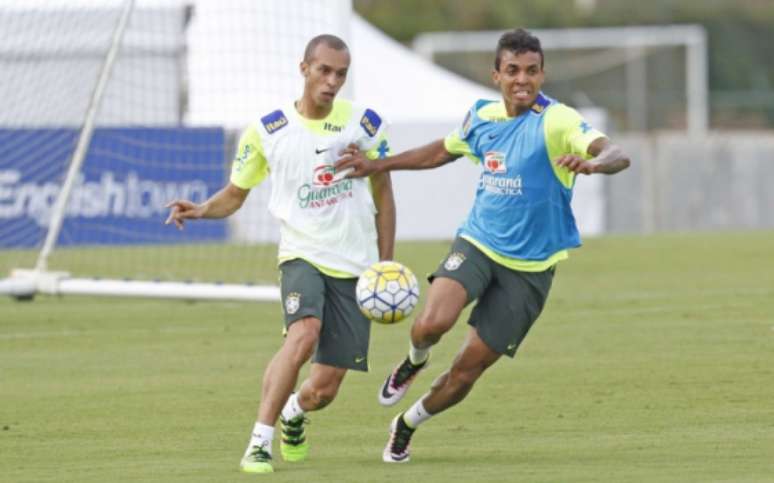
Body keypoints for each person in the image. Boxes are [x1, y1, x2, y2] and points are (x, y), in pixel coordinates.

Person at [334, 28, 630, 463]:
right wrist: (378, 164)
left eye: (531, 71)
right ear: (496, 75)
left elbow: (616, 152)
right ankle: (414, 360)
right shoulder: (482, 116)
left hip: (530, 268)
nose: (522, 80)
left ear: (543, 74)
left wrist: (593, 163)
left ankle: (407, 424)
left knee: (467, 369)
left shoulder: (558, 121)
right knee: (431, 324)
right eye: (512, 71)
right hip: (478, 242)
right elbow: (443, 150)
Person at [165, 34, 395, 474]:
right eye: (324, 70)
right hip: (300, 255)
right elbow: (236, 194)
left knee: (323, 391)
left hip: (354, 264)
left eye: (340, 74)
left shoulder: (364, 125)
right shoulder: (269, 130)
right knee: (303, 334)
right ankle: (258, 443)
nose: (331, 81)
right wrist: (200, 211)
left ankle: (294, 413)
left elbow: (385, 194)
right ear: (304, 68)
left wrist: (383, 265)